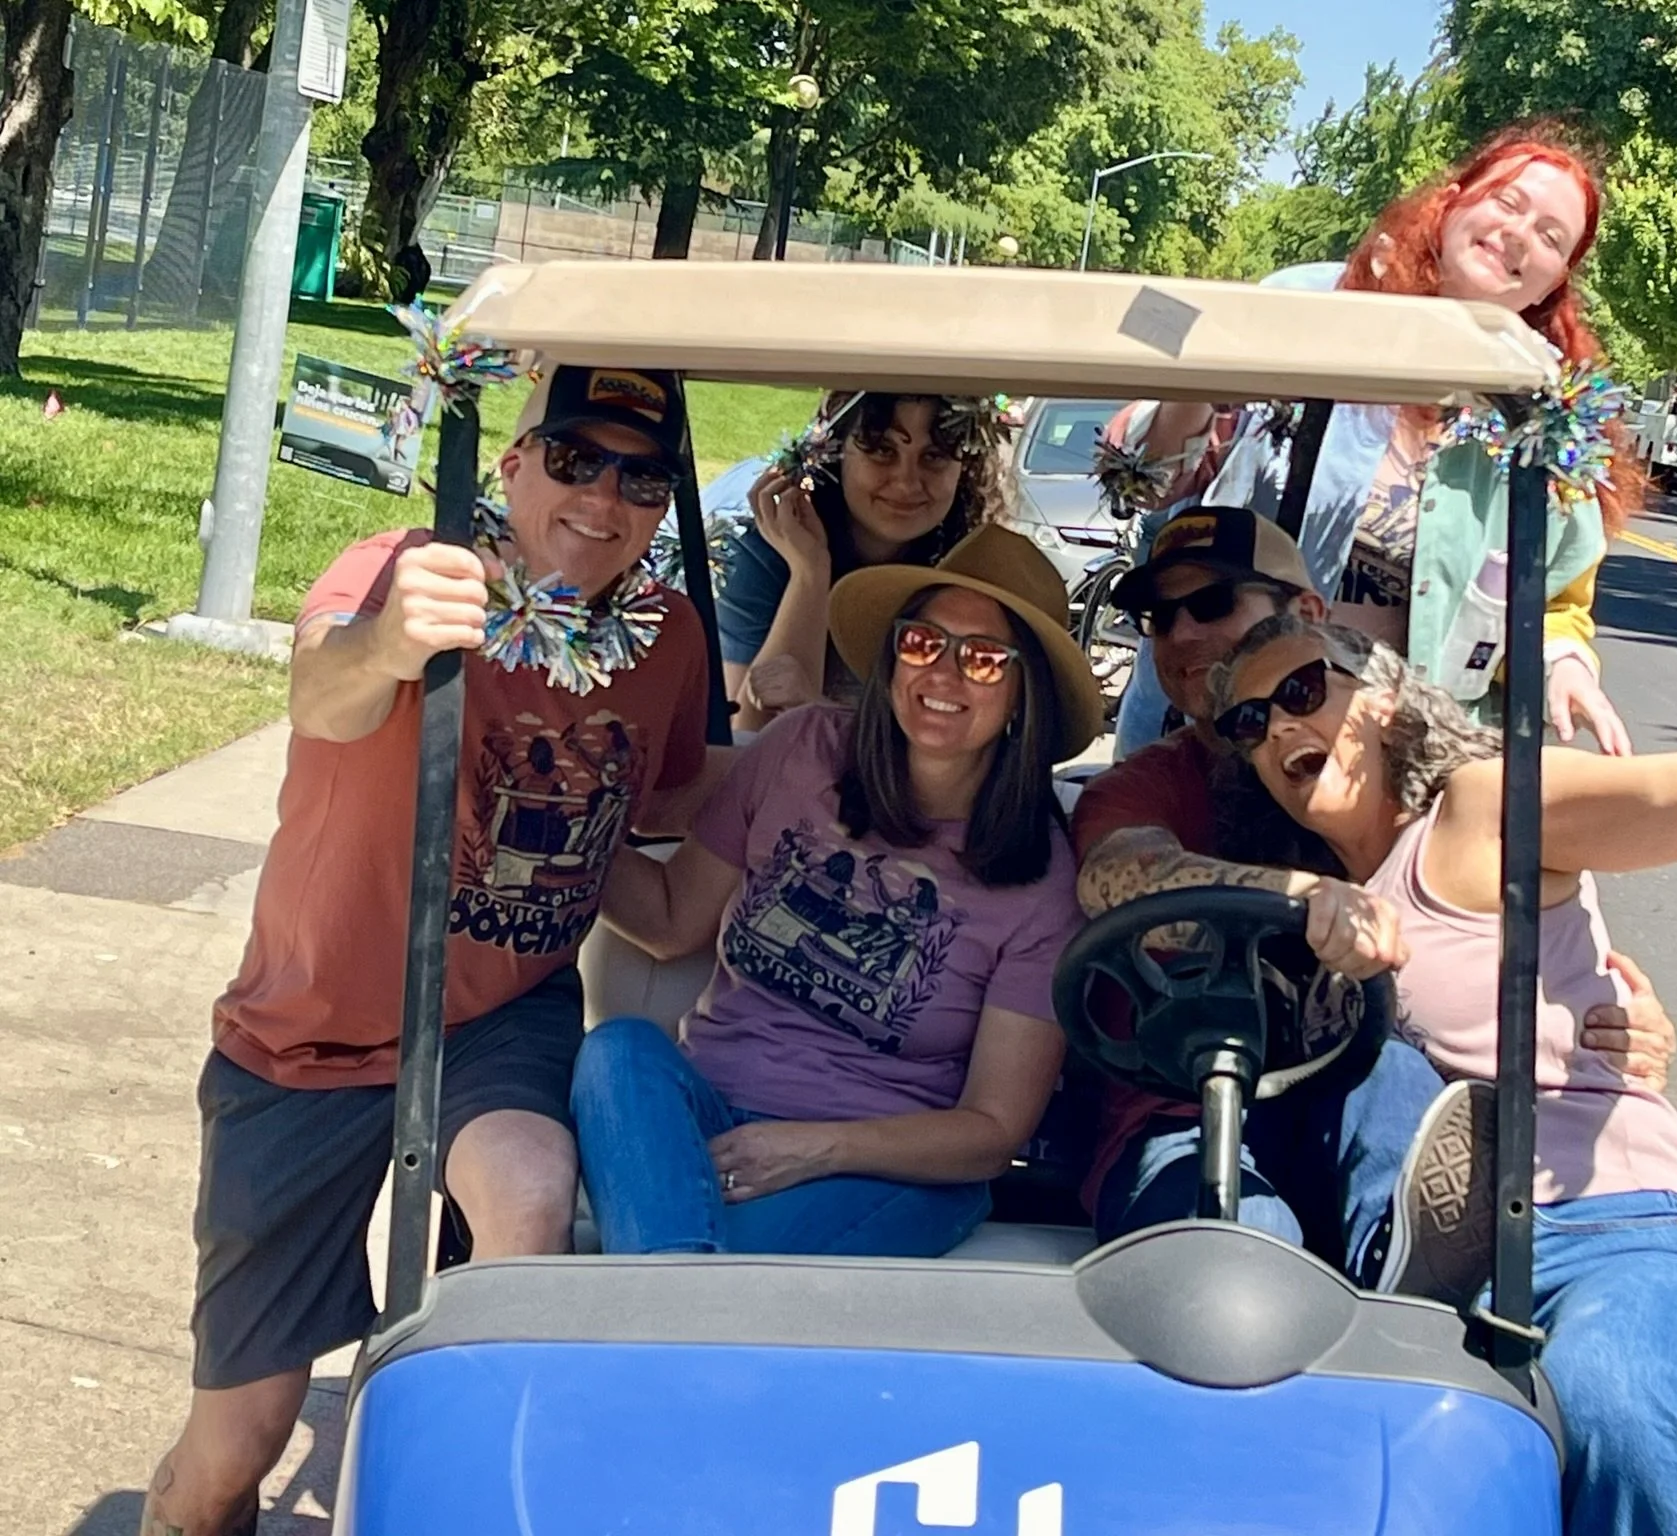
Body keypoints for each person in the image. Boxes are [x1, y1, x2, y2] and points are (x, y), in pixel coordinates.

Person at [1201, 465, 1677, 1534]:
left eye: (1303, 692)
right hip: (1432, 1264)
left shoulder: (1478, 811)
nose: (1275, 729)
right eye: (1247, 723)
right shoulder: (1310, 900)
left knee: (1609, 1406)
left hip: (1607, 1230)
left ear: (1386, 697)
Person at [141, 363, 714, 1536]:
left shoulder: (664, 634)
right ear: (511, 464)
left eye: (640, 478)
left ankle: (452, 1493)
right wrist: (391, 640)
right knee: (238, 1442)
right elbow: (324, 691)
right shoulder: (413, 567)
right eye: (574, 461)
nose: (603, 500)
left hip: (499, 1015)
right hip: (308, 1033)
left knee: (528, 1194)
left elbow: (662, 818)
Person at [1071, 505, 1677, 1278]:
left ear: (1307, 616)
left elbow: (1500, 934)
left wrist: (1618, 1022)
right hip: (1187, 1113)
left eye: (1215, 604)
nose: (1184, 634)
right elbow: (1121, 877)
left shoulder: (1381, 782)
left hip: (1366, 1112)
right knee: (1242, 1263)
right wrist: (1303, 898)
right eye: (1160, 618)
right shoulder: (1147, 787)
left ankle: (1411, 1290)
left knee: (1392, 1080)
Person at [572, 524, 1102, 1257]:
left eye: (982, 660)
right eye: (922, 643)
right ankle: (681, 1290)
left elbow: (992, 1132)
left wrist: (818, 1149)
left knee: (716, 1263)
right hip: (708, 1114)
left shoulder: (1043, 882)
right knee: (619, 1048)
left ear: (1023, 696)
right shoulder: (803, 748)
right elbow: (669, 919)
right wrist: (562, 814)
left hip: (883, 1166)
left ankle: (668, 1294)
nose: (943, 676)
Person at [1112, 119, 1644, 760]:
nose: (1519, 234)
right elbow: (1149, 479)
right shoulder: (1313, 303)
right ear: (1453, 201)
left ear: (1554, 279)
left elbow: (1553, 599)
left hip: (1392, 755)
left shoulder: (1540, 409)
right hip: (1230, 725)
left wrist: (1564, 666)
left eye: (1550, 236)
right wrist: (1182, 382)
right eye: (1507, 201)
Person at [719, 391, 1012, 731]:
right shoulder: (766, 554)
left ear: (965, 468)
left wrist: (818, 709)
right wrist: (809, 574)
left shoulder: (974, 570)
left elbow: (965, 748)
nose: (906, 482)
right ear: (833, 451)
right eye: (882, 451)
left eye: (934, 456)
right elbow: (747, 740)